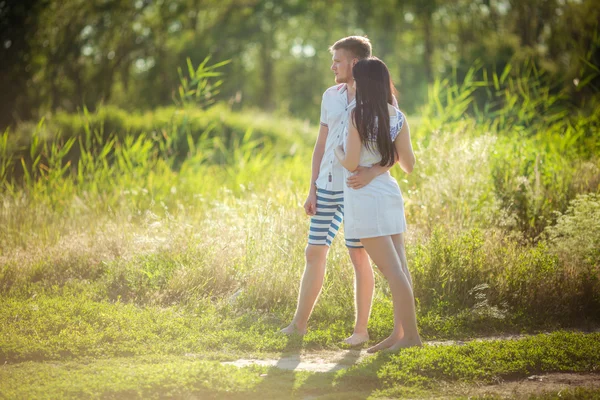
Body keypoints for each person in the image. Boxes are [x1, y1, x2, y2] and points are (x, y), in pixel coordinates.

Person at [280, 36, 398, 345]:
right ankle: (299, 325)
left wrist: (372, 173)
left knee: (358, 256)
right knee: (314, 251)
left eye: (337, 60)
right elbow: (321, 144)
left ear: (354, 63)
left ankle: (361, 331)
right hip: (327, 187)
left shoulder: (378, 100)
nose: (332, 65)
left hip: (358, 190)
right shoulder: (330, 96)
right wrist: (312, 188)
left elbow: (395, 152)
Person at [334, 57, 422, 352]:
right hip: (389, 195)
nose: (354, 85)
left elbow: (351, 162)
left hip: (366, 199)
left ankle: (411, 337)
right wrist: (379, 166)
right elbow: (408, 164)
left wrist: (337, 148)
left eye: (357, 80)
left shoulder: (357, 115)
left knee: (393, 271)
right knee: (401, 269)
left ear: (364, 83)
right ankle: (400, 334)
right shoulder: (397, 115)